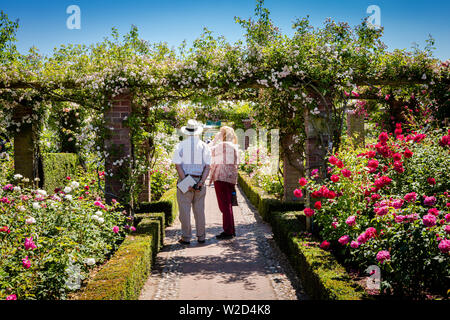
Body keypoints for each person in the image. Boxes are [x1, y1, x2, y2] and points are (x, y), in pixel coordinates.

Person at [172, 119, 211, 245]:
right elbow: (207, 167)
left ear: (186, 132)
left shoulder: (180, 146)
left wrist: (186, 181)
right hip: (199, 178)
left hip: (185, 178)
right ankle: (201, 236)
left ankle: (186, 237)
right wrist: (201, 182)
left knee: (184, 210)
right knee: (199, 210)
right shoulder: (204, 146)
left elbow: (178, 166)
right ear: (197, 132)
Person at [209, 126, 239, 239]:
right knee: (228, 204)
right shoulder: (234, 146)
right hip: (231, 178)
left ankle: (228, 231)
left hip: (221, 177)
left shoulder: (221, 146)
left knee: (224, 206)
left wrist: (215, 139)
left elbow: (208, 151)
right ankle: (231, 228)